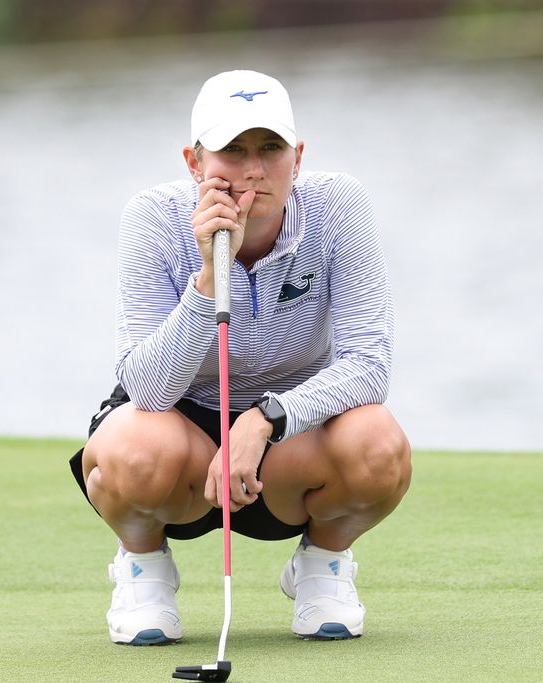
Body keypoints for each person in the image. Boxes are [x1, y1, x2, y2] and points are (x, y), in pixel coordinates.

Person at [68, 69, 411, 645]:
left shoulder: (338, 207)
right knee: (133, 449)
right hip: (179, 434)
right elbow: (147, 390)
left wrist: (266, 419)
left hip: (291, 441)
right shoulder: (153, 217)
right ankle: (142, 567)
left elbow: (368, 364)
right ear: (194, 161)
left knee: (378, 444)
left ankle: (323, 567)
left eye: (271, 148)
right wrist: (207, 278)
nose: (253, 170)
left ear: (298, 157)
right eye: (232, 150)